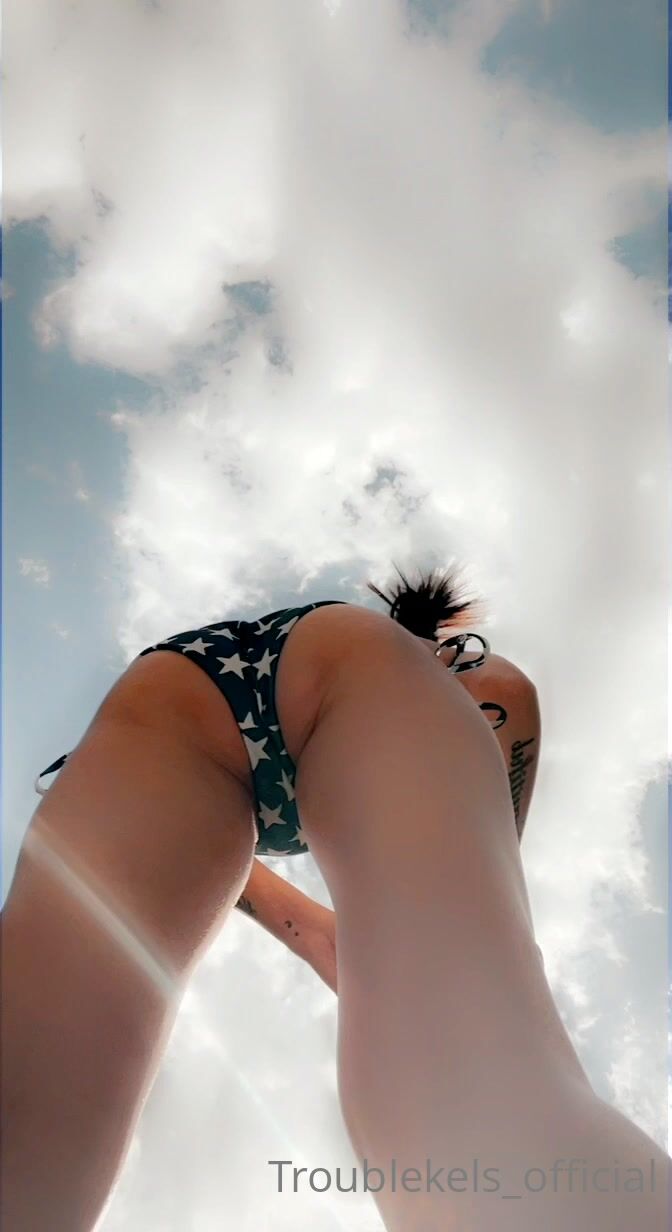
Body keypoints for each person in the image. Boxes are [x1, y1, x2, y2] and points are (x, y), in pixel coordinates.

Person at [2, 562, 669, 1231]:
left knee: (29, 1120)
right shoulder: (479, 685)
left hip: (163, 702)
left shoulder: (458, 681)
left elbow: (311, 931)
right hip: (345, 679)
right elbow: (464, 903)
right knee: (464, 1089)